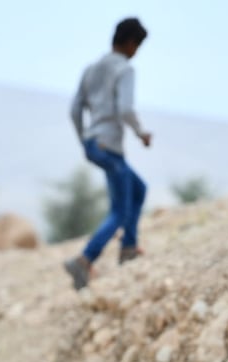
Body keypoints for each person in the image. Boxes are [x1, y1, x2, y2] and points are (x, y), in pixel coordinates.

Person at [63, 17, 153, 291]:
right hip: (109, 145)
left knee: (137, 188)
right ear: (129, 43)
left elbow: (75, 110)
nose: (136, 52)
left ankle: (128, 247)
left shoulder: (91, 69)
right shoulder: (124, 69)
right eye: (137, 46)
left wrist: (85, 140)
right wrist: (141, 133)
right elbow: (125, 108)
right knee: (119, 210)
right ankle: (84, 259)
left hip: (94, 142)